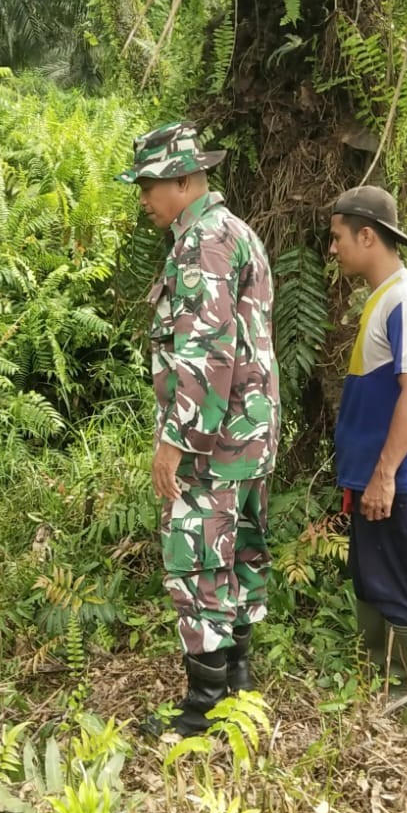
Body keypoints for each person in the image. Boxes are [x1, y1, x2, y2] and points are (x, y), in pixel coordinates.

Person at [115, 121, 280, 738]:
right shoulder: (236, 233)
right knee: (237, 556)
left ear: (184, 181)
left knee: (199, 559)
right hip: (248, 434)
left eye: (151, 185)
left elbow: (208, 352)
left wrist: (176, 442)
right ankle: (235, 686)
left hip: (213, 442)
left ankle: (203, 710)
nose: (144, 199)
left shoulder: (204, 243)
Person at [327, 185, 407, 701]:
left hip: (398, 479)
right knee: (372, 577)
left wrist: (384, 474)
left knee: (397, 581)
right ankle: (378, 679)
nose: (332, 249)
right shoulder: (382, 299)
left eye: (338, 238)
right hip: (378, 477)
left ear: (367, 235)